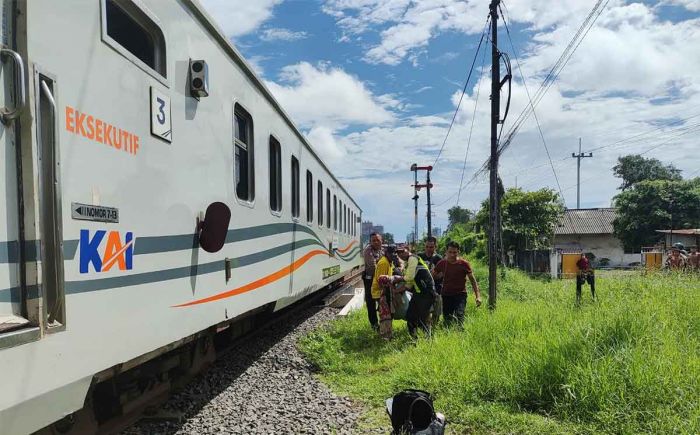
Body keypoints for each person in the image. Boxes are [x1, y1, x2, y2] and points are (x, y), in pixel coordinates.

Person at [432, 242, 481, 328]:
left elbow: (472, 280)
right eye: (450, 252)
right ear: (446, 252)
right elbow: (432, 276)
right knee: (447, 319)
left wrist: (478, 296)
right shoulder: (442, 263)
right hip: (446, 295)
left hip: (460, 294)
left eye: (454, 252)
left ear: (458, 252)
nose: (452, 255)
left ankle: (461, 335)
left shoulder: (464, 264)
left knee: (460, 315)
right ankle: (448, 337)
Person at [397, 245, 436, 339]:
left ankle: (428, 340)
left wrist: (397, 278)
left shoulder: (413, 258)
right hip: (419, 294)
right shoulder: (408, 263)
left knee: (422, 318)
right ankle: (414, 339)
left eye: (403, 251)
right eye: (398, 253)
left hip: (426, 293)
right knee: (410, 316)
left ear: (408, 250)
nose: (401, 254)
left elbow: (409, 277)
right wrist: (397, 290)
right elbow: (409, 284)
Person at [372, 245, 396, 337]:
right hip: (380, 292)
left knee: (388, 314)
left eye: (394, 253)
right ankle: (385, 334)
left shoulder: (389, 262)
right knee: (385, 314)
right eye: (391, 253)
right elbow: (380, 280)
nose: (393, 255)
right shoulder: (384, 263)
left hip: (385, 290)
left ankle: (387, 332)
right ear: (387, 253)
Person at [419, 236, 443, 325]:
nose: (429, 249)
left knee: (436, 312)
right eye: (427, 247)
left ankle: (434, 329)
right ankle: (426, 329)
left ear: (435, 247)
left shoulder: (439, 258)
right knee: (425, 312)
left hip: (437, 288)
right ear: (424, 246)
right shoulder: (419, 256)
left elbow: (441, 274)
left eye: (431, 247)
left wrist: (431, 277)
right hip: (423, 289)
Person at [362, 232, 383, 330]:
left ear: (381, 241)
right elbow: (372, 266)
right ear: (370, 242)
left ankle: (384, 323)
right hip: (370, 280)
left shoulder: (382, 250)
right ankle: (374, 326)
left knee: (382, 301)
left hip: (380, 279)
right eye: (373, 240)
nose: (375, 242)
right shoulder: (368, 251)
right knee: (371, 303)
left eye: (377, 240)